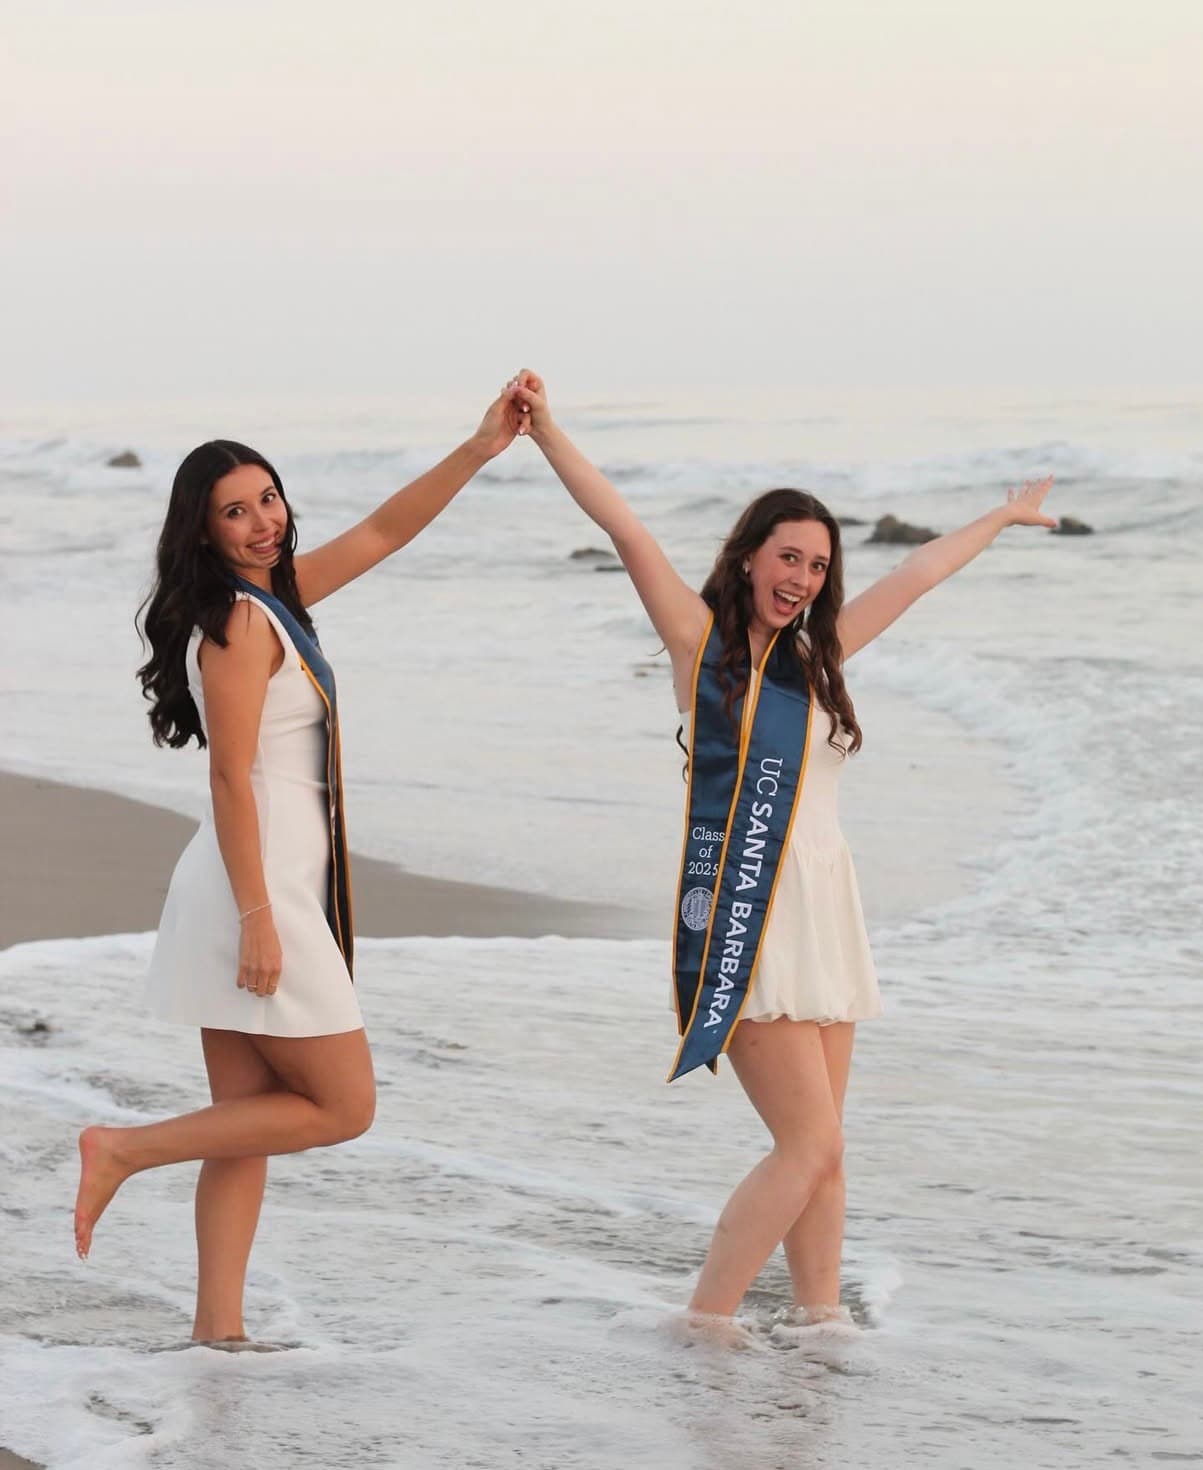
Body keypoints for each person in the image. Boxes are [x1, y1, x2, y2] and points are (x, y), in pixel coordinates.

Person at [505, 369, 1054, 1338]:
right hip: (746, 913)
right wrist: (545, 432)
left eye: (815, 565)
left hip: (825, 920)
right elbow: (628, 531)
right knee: (807, 1144)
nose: (800, 578)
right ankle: (703, 1324)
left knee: (831, 1152)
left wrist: (1001, 521)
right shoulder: (703, 645)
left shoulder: (818, 660)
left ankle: (819, 1328)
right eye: (788, 557)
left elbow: (917, 576)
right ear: (750, 555)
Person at [73, 392, 524, 1348]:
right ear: (202, 530)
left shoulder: (271, 602)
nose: (262, 520)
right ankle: (123, 1148)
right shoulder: (238, 626)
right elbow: (231, 778)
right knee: (342, 1105)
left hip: (243, 887)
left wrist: (481, 447)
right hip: (253, 889)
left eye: (269, 498)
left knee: (248, 1123)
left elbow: (386, 530)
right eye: (235, 510)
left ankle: (217, 1337)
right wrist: (262, 921)